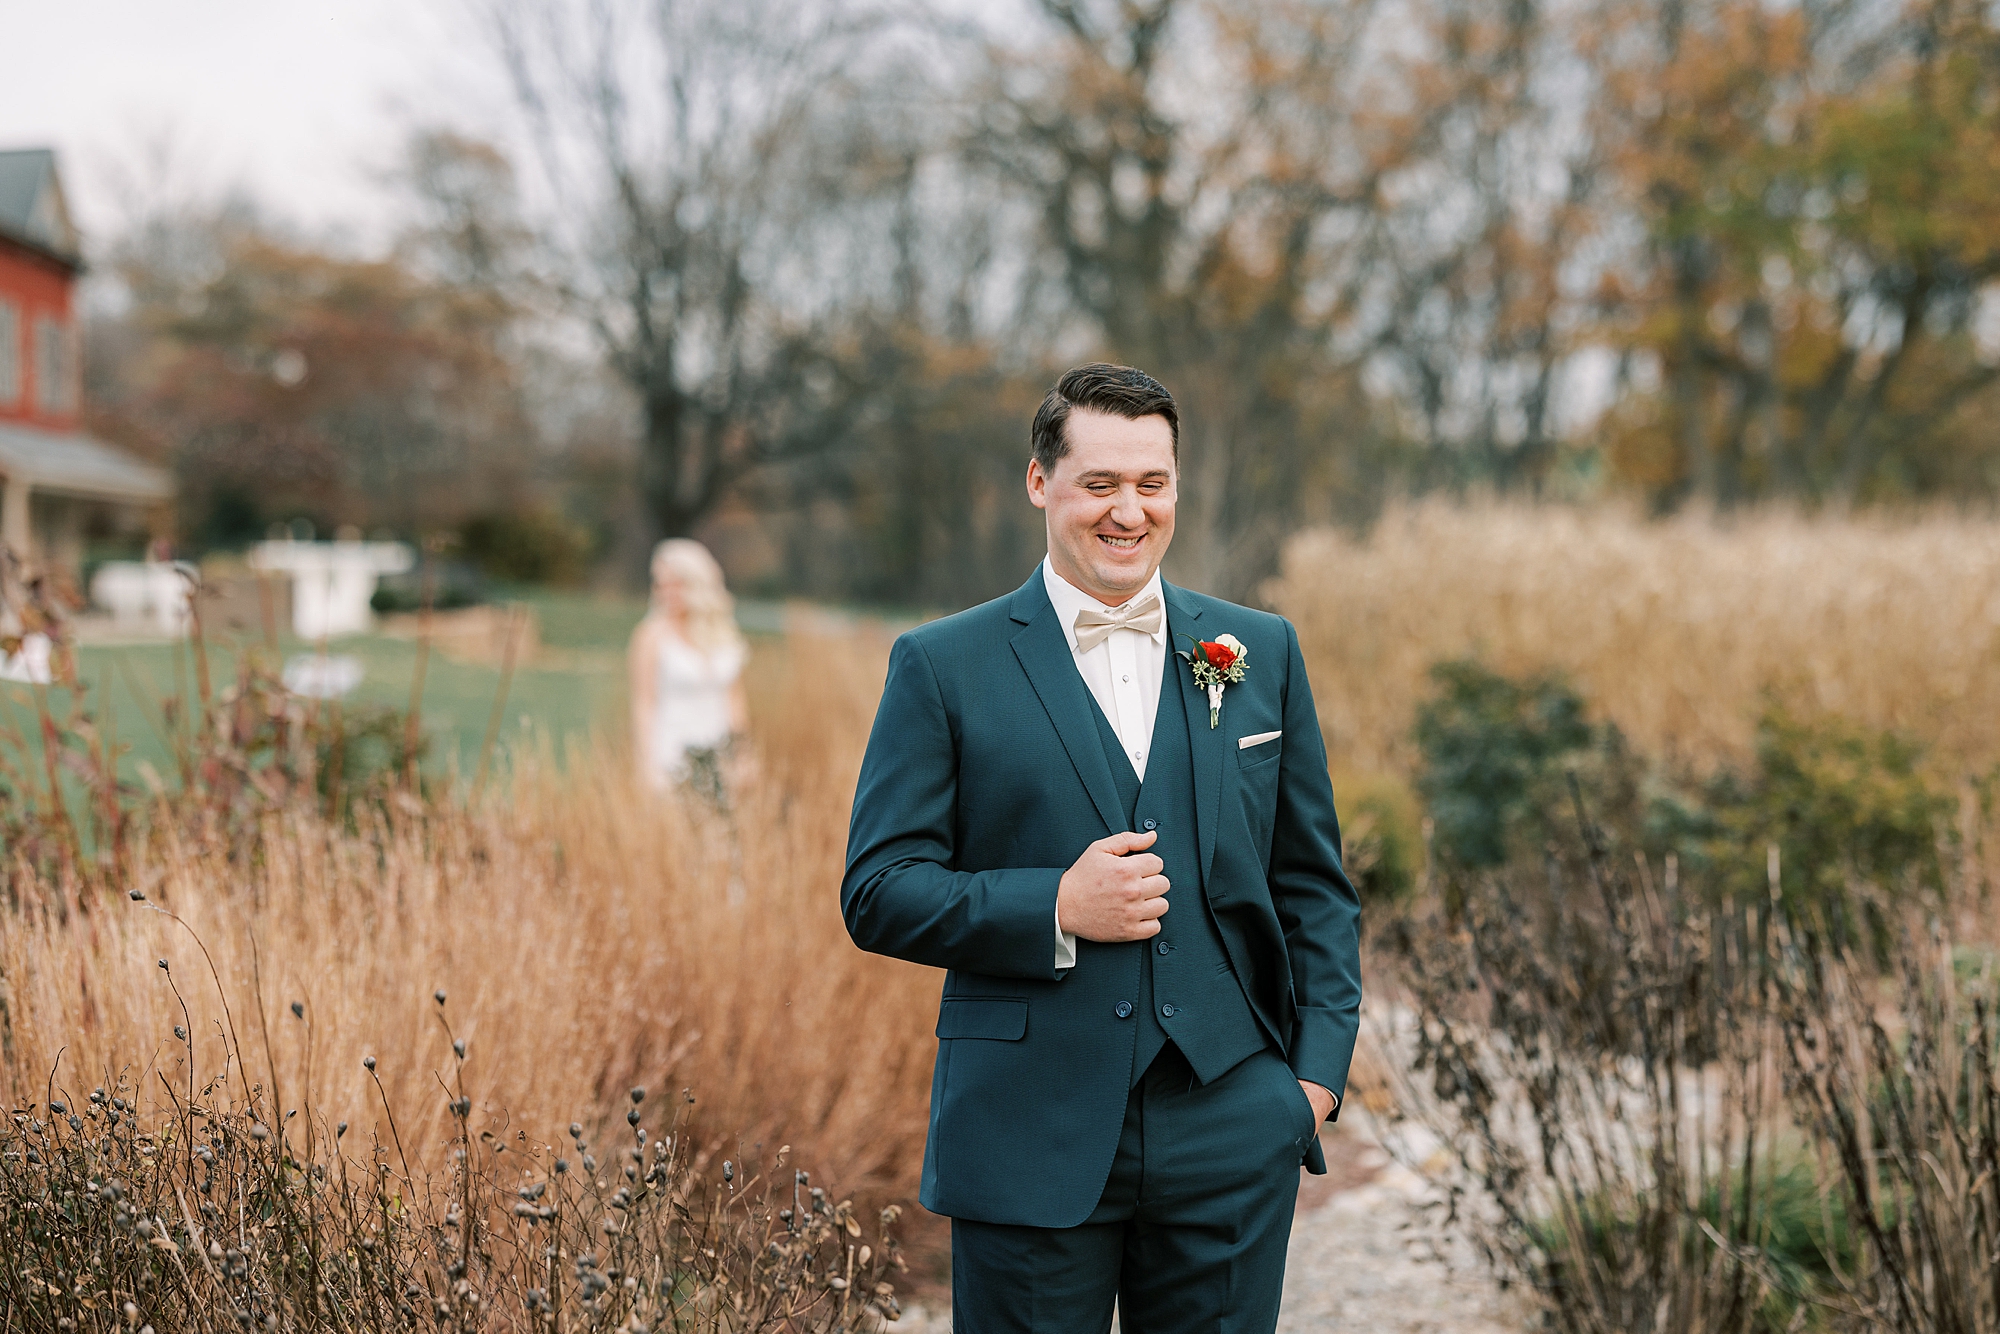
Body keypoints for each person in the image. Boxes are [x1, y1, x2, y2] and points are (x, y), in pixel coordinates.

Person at [842, 364, 1362, 1332]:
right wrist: (1051, 906)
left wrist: (1311, 1085)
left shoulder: (1259, 651)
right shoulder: (940, 664)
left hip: (1230, 1120)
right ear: (1040, 482)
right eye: (1099, 483)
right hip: (1025, 1125)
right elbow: (876, 888)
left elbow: (1313, 885)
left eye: (1151, 483)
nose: (1128, 510)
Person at [628, 539, 749, 795]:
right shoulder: (650, 636)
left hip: (719, 758)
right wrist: (648, 767)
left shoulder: (722, 633)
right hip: (672, 757)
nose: (667, 593)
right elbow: (644, 704)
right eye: (661, 585)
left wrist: (742, 756)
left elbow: (734, 700)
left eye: (676, 583)